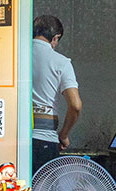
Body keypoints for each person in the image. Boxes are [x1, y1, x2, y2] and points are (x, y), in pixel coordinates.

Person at [31, 14, 81, 175]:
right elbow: (75, 105)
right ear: (55, 37)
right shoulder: (61, 62)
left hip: (13, 141)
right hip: (45, 141)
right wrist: (64, 134)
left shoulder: (14, 55)